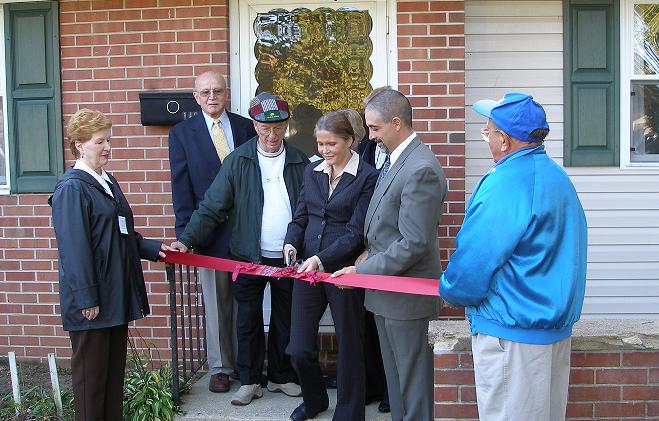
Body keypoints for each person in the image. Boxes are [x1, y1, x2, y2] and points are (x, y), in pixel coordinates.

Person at [439, 93, 588, 421]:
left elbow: (474, 261)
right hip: (551, 328)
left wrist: (450, 291)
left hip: (512, 332)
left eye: (487, 132)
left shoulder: (505, 183)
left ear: (503, 140)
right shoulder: (556, 178)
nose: (487, 137)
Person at [170, 92, 309, 406]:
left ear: (286, 126)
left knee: (285, 318)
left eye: (278, 128)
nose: (271, 135)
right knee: (247, 319)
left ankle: (280, 376)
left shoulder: (301, 161)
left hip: (288, 258)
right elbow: (212, 206)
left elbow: (311, 210)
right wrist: (187, 239)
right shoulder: (238, 160)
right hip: (247, 256)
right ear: (255, 126)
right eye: (264, 128)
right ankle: (249, 380)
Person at [333, 88, 447, 421]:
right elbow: (388, 225)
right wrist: (368, 252)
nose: (370, 137)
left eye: (375, 128)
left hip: (406, 299)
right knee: (396, 386)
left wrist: (361, 274)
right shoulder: (396, 159)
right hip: (386, 294)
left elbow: (413, 242)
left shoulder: (420, 168)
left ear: (396, 123)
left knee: (413, 392)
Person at [50, 109, 170, 420]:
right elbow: (74, 250)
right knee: (92, 387)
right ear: (79, 144)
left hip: (114, 297)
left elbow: (121, 233)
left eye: (108, 140)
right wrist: (87, 298)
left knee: (112, 380)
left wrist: (155, 249)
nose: (107, 147)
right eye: (99, 141)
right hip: (92, 303)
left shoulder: (106, 181)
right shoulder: (72, 188)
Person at [283, 110, 378, 421]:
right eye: (320, 144)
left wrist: (321, 259)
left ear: (349, 141)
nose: (323, 150)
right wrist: (291, 242)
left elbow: (356, 232)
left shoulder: (367, 177)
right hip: (306, 269)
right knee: (297, 347)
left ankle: (349, 413)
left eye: (330, 144)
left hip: (343, 272)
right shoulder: (312, 172)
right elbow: (301, 217)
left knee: (351, 344)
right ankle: (314, 400)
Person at [168, 71, 256, 393]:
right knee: (216, 301)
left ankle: (250, 362)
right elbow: (181, 188)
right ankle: (221, 367)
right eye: (204, 92)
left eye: (217, 90)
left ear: (226, 93)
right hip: (208, 231)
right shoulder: (182, 134)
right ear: (196, 96)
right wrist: (186, 236)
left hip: (247, 230)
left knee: (249, 299)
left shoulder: (247, 127)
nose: (211, 96)